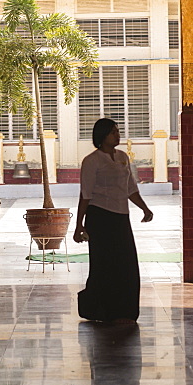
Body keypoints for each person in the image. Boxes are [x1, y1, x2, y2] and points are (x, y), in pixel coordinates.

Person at [74, 118, 153, 324]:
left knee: (126, 265)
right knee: (104, 265)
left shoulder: (122, 157)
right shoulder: (92, 161)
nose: (117, 136)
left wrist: (144, 208)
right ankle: (102, 310)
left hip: (120, 217)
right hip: (100, 218)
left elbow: (130, 189)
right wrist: (79, 225)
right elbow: (85, 194)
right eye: (112, 133)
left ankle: (125, 311)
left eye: (118, 131)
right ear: (101, 136)